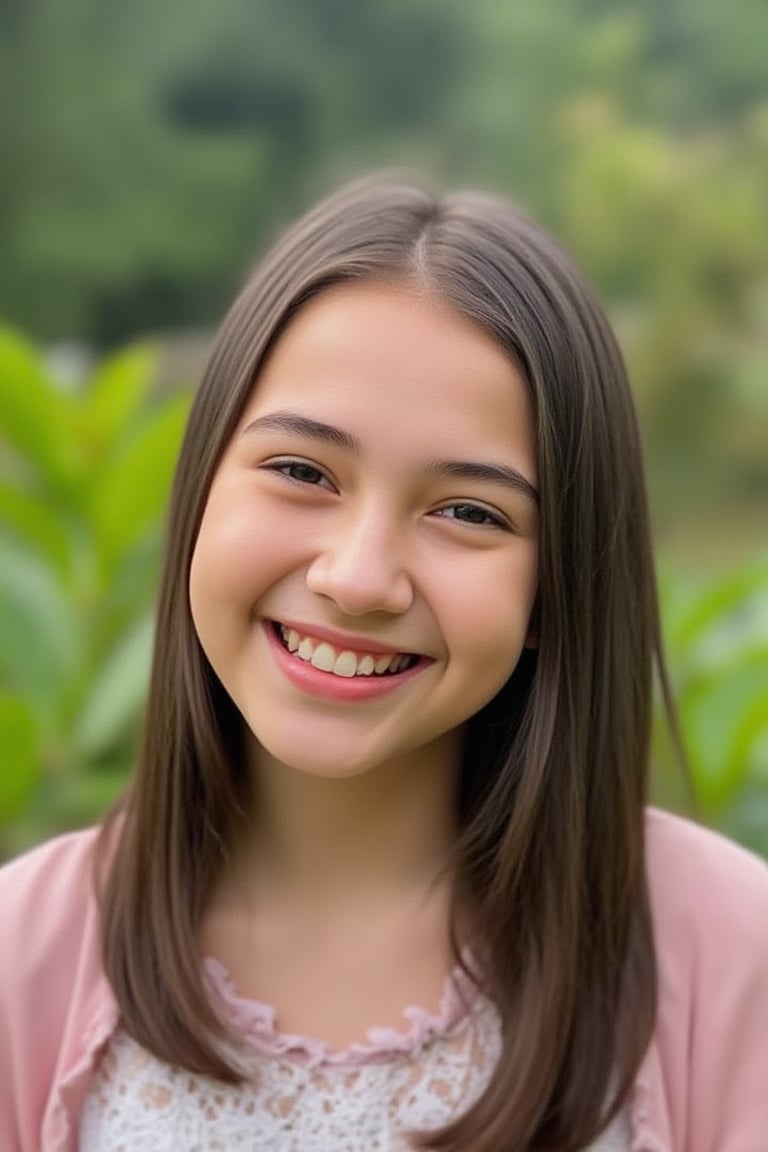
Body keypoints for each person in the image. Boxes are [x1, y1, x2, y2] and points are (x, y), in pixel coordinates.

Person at [1, 176, 767, 1152]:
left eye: (469, 513)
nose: (359, 579)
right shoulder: (24, 960)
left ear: (559, 588)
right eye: (303, 473)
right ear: (198, 495)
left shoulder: (730, 951)